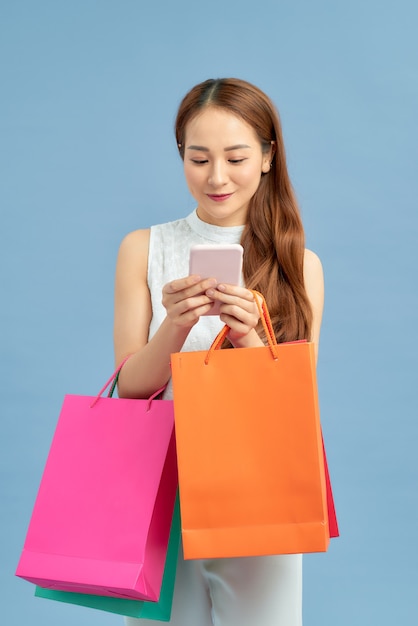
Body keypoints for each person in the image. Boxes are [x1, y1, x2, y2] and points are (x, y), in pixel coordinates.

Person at [114, 77, 324, 626]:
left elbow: (295, 408)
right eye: (198, 158)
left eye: (235, 157)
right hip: (163, 479)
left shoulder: (299, 264)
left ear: (267, 157)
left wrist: (251, 336)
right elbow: (129, 388)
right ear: (180, 156)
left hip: (259, 482)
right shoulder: (144, 248)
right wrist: (176, 327)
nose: (216, 177)